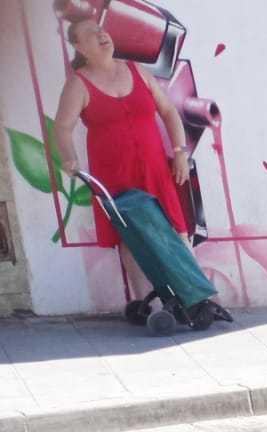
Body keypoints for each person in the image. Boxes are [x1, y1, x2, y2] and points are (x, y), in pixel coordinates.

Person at [49, 17, 191, 294]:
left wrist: (180, 152)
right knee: (131, 238)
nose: (101, 34)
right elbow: (62, 128)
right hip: (114, 177)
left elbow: (169, 112)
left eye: (101, 29)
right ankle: (148, 303)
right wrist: (69, 157)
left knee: (177, 231)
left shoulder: (136, 70)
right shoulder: (77, 85)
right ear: (78, 46)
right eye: (91, 33)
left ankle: (195, 297)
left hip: (156, 169)